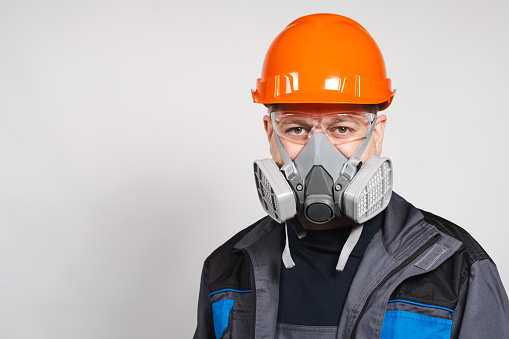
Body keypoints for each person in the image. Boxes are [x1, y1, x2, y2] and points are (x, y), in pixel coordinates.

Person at [193, 13, 509, 339]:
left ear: (377, 133)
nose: (318, 152)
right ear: (270, 134)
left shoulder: (454, 269)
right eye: (296, 128)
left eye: (342, 128)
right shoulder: (227, 272)